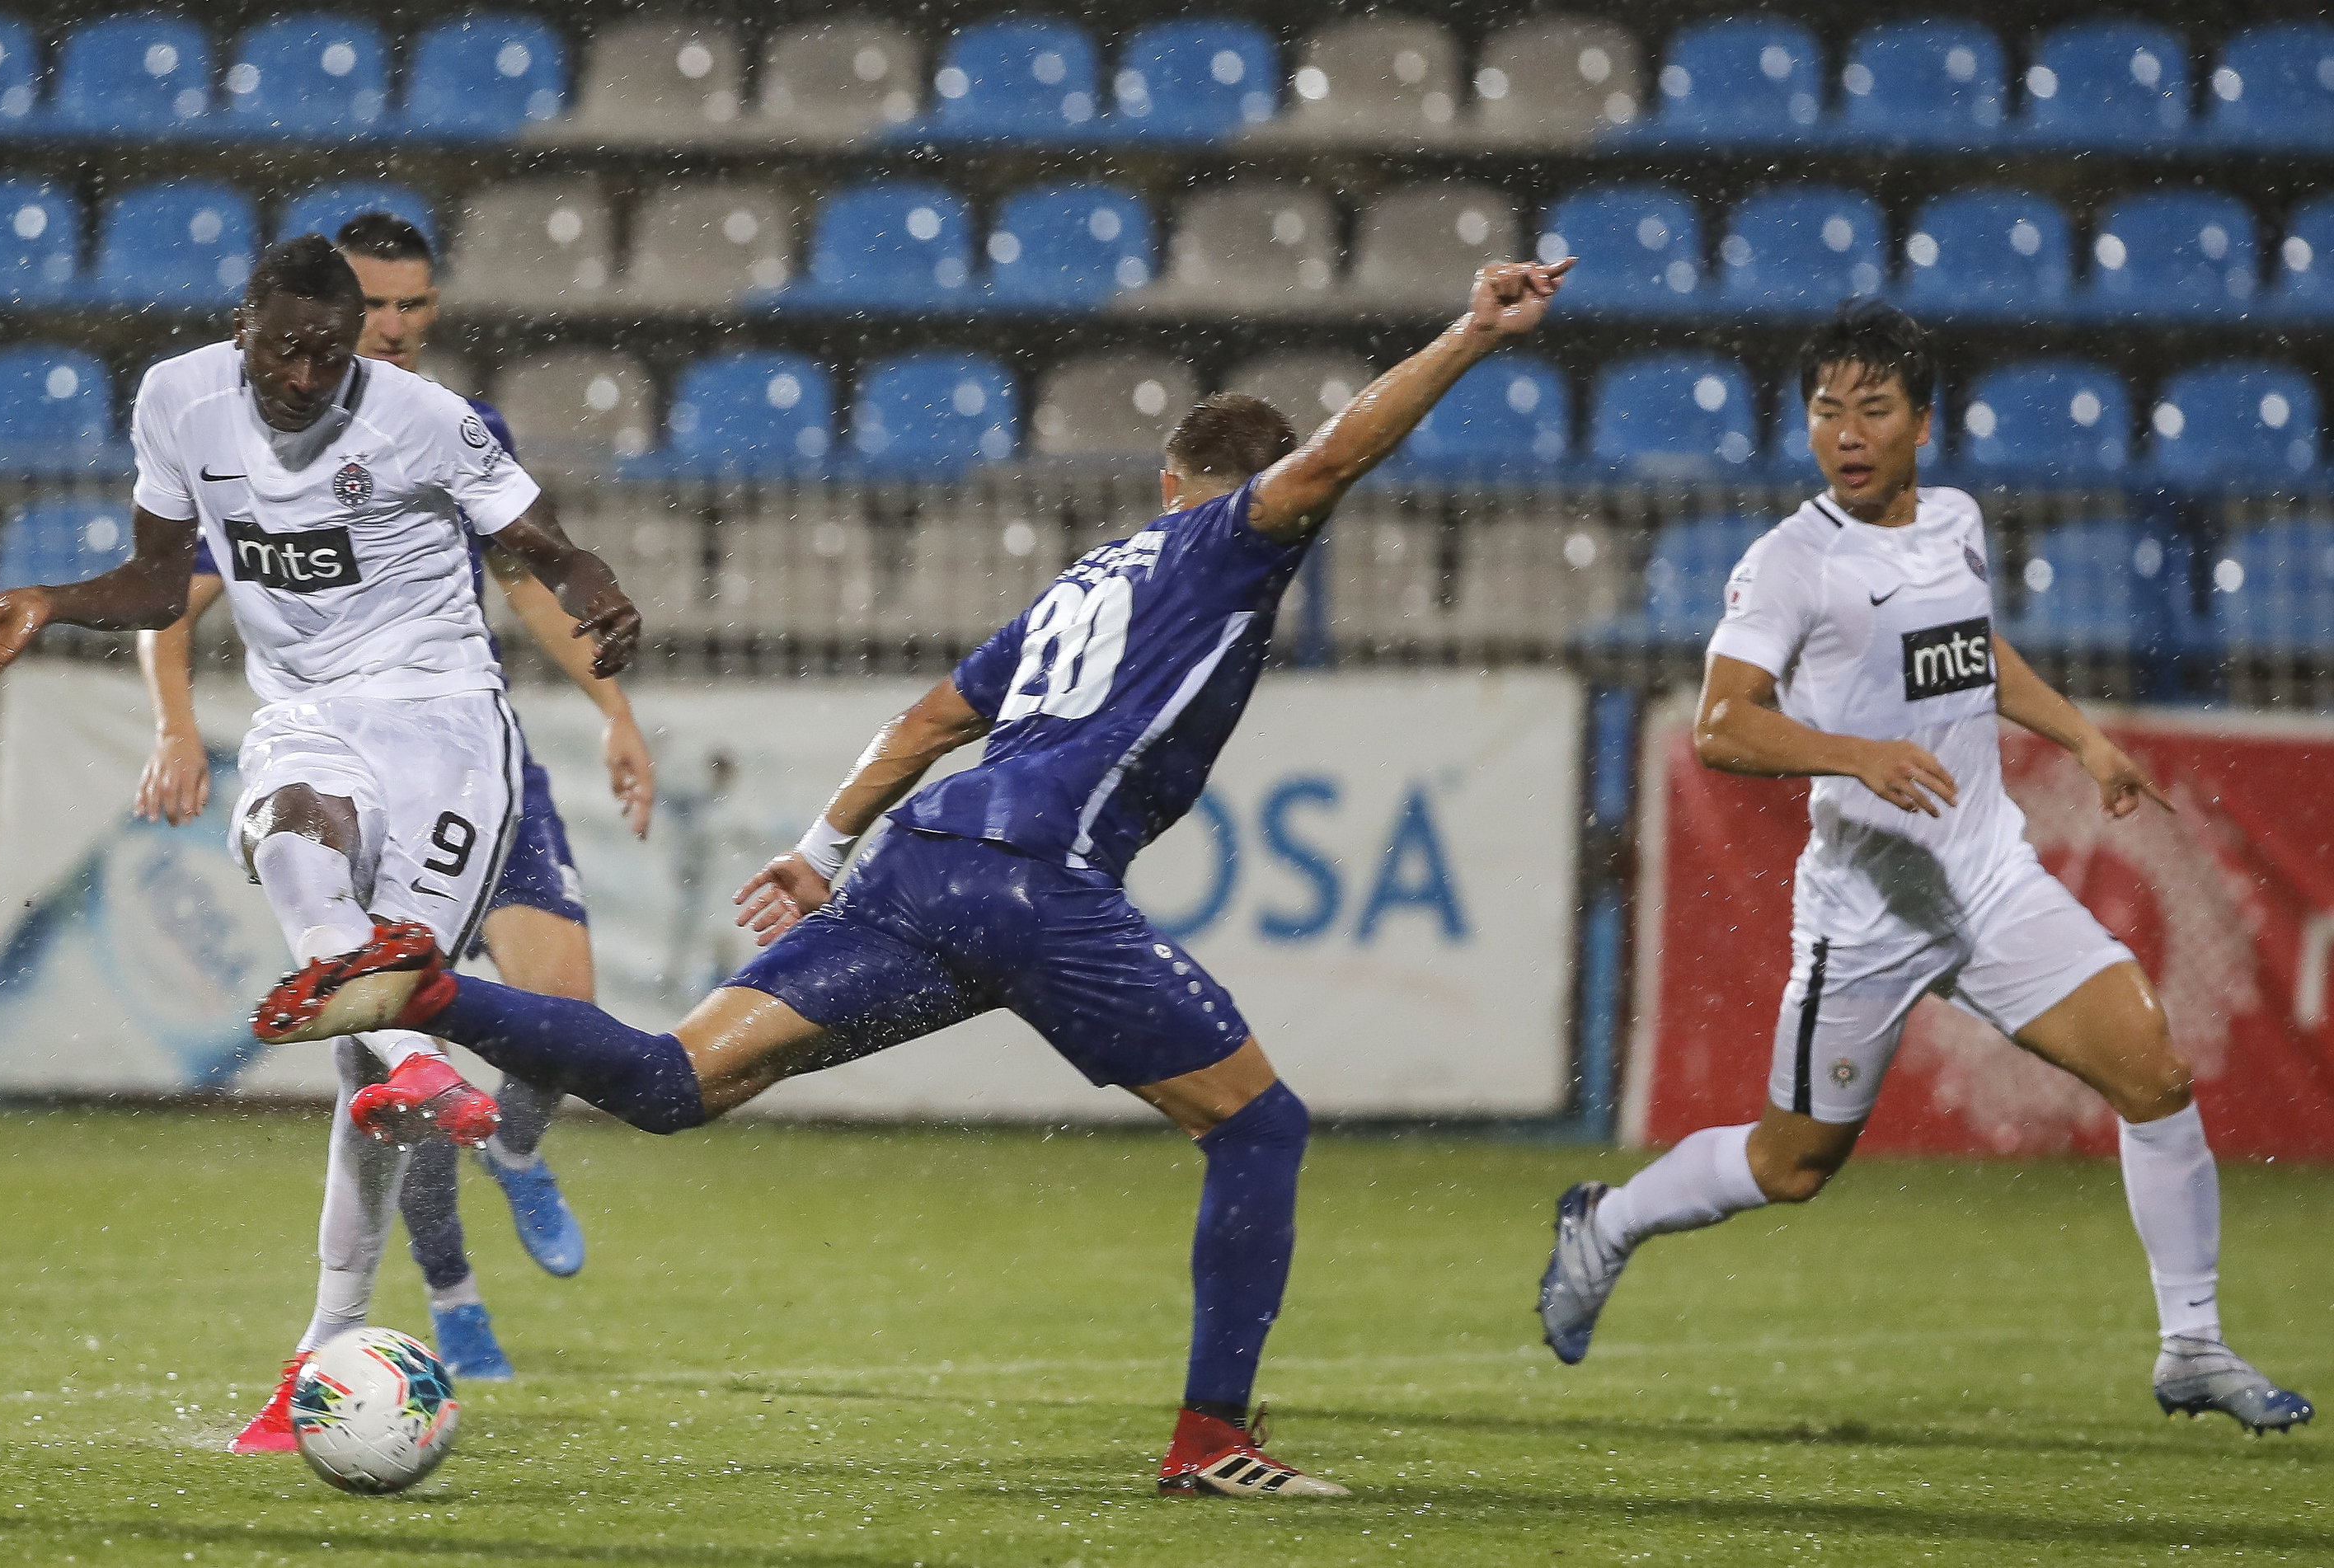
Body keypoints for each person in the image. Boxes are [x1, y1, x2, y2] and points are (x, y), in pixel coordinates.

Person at [247, 256, 1576, 1496]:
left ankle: (424, 997)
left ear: (1160, 475)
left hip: (926, 852)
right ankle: (1213, 1438)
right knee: (1259, 1126)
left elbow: (934, 718)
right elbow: (1342, 451)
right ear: (1219, 487)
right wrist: (1471, 331)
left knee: (672, 1083)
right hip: (1033, 877)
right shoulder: (1229, 537)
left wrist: (824, 850)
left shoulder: (1081, 583)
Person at [1534, 300, 2312, 1436]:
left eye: (1872, 409)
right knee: (1793, 1162)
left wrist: (2083, 737)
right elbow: (1719, 725)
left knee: (2154, 1072)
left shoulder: (1954, 520)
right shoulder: (1791, 562)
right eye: (1825, 410)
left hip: (1990, 883)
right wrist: (1855, 754)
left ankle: (2191, 1341)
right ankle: (1605, 1223)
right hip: (1869, 915)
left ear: (1921, 423)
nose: (1846, 433)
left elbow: (1973, 651)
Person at [0, 234, 643, 1453]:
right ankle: (390, 1019)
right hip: (312, 710)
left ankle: (324, 1335)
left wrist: (598, 591)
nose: (306, 377)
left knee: (367, 1071)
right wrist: (47, 602)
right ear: (243, 326)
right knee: (284, 833)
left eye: (329, 353)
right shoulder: (179, 397)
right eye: (284, 349)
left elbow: (545, 545)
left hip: (444, 724)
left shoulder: (423, 419)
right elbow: (164, 585)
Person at [133, 212, 654, 1387]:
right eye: (377, 309)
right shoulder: (250, 433)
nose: (395, 330)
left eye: (416, 307)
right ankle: (453, 1299)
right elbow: (178, 583)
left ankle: (515, 1149)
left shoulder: (446, 428)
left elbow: (528, 582)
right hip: (352, 755)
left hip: (466, 750)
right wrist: (174, 719)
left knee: (551, 1005)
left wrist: (618, 712)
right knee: (400, 1019)